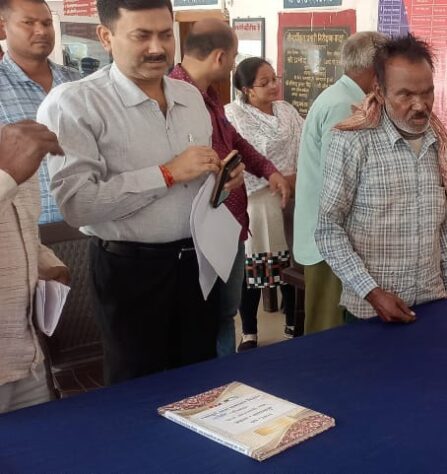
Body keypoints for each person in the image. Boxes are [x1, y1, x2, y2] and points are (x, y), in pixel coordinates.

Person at [38, 0, 244, 384]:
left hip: (198, 261)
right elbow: (79, 205)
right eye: (141, 36)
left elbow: (194, 177)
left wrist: (219, 178)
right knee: (138, 387)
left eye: (165, 35)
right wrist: (166, 173)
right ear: (106, 37)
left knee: (201, 380)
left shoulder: (190, 97)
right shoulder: (75, 103)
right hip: (130, 270)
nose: (157, 48)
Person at [315, 34, 447, 323]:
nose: (420, 105)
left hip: (433, 303)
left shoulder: (439, 143)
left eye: (427, 93)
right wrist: (372, 292)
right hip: (372, 313)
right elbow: (328, 229)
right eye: (406, 95)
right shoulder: (352, 142)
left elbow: (445, 223)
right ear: (379, 92)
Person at [169, 19, 291, 357]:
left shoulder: (209, 95)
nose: (234, 65)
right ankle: (213, 380)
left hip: (231, 222)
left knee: (225, 313)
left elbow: (234, 141)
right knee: (202, 318)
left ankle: (226, 376)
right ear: (220, 57)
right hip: (199, 229)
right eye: (235, 57)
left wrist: (268, 170)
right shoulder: (172, 95)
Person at [294, 31, 385, 334]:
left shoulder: (346, 98)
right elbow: (339, 181)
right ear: (375, 68)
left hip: (336, 238)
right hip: (331, 242)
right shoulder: (344, 105)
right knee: (328, 329)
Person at [225, 57, 302, 350]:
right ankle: (249, 331)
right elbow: (236, 158)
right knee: (253, 267)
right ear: (247, 89)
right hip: (255, 199)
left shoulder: (287, 110)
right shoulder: (232, 115)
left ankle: (293, 323)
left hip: (292, 193)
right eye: (264, 82)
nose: (273, 86)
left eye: (274, 79)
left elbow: (305, 142)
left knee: (291, 262)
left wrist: (295, 177)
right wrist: (273, 177)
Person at [0, 121, 67, 413]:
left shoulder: (11, 141)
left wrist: (49, 265)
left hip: (26, 361)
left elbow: (23, 229)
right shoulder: (11, 155)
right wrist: (6, 174)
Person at [0, 0, 81, 224]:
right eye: (29, 23)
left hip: (88, 225)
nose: (41, 31)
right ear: (3, 28)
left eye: (46, 23)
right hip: (26, 230)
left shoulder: (78, 83)